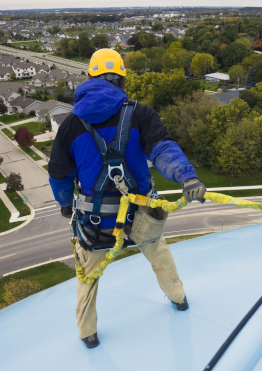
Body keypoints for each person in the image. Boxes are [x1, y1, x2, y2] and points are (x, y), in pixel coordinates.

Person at [48, 49, 206, 349]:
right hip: (141, 214)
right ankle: (179, 299)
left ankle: (87, 333)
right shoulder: (139, 114)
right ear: (121, 79)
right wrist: (187, 176)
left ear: (91, 78)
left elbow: (59, 175)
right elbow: (162, 149)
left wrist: (66, 203)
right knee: (159, 255)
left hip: (96, 222)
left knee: (88, 276)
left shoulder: (71, 125)